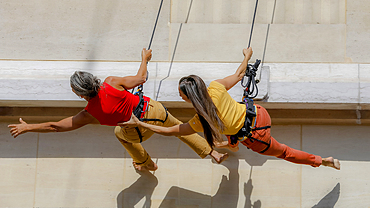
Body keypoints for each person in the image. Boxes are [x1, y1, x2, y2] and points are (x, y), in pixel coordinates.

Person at [8, 48, 227, 171]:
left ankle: (146, 163)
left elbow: (56, 126)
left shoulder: (88, 113)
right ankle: (213, 152)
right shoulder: (111, 82)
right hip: (153, 111)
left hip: (136, 130)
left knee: (120, 135)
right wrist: (144, 59)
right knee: (180, 127)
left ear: (80, 93)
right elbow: (142, 77)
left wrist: (29, 127)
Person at [120, 48, 340, 170]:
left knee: (284, 152)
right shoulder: (215, 87)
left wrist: (140, 123)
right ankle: (228, 145)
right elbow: (239, 74)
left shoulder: (200, 120)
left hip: (256, 135)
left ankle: (323, 160)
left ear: (189, 97)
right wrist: (246, 56)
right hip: (259, 114)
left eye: (181, 94)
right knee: (231, 140)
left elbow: (170, 131)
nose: (179, 96)